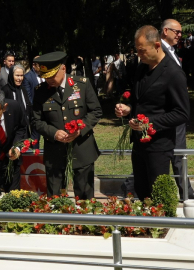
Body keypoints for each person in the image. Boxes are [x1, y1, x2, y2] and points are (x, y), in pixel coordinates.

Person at [115, 25, 190, 201]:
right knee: (141, 193)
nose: (139, 55)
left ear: (157, 46)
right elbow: (139, 102)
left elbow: (182, 113)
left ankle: (158, 226)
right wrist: (128, 110)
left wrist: (149, 123)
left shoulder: (173, 73)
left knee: (156, 197)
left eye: (142, 51)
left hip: (159, 146)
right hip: (139, 144)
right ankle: (145, 226)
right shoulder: (142, 68)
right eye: (137, 50)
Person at [32, 51, 102, 199]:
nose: (49, 80)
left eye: (52, 75)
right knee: (55, 198)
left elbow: (95, 111)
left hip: (82, 148)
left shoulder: (82, 85)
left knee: (84, 198)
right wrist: (53, 133)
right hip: (55, 152)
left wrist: (80, 128)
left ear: (63, 68)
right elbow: (36, 120)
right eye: (45, 76)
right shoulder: (40, 91)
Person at [160, 19, 193, 199]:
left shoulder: (172, 51)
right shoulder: (160, 51)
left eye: (180, 32)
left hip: (177, 111)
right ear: (165, 31)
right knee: (172, 153)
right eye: (177, 32)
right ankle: (186, 193)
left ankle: (186, 191)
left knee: (177, 152)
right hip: (169, 111)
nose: (180, 35)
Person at [2, 65, 32, 137]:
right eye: (17, 75)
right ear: (12, 76)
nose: (20, 78)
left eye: (22, 75)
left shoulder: (23, 89)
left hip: (24, 127)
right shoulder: (5, 90)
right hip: (11, 129)